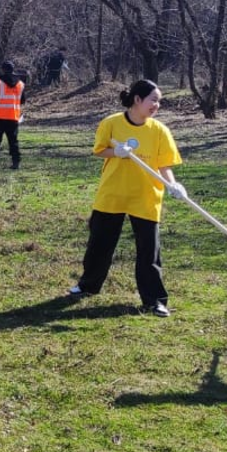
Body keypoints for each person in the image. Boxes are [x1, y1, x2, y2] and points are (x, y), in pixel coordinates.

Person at [70, 79, 185, 317]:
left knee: (149, 251)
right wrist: (116, 152)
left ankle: (154, 300)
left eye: (159, 101)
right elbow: (99, 150)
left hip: (145, 196)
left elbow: (164, 164)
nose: (156, 105)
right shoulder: (111, 123)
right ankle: (87, 285)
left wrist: (173, 185)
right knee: (99, 244)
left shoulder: (159, 131)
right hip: (113, 193)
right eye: (153, 100)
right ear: (137, 99)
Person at [0, 61, 28, 169]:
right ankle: (16, 162)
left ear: (3, 69)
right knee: (13, 141)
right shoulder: (20, 84)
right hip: (13, 116)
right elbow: (22, 100)